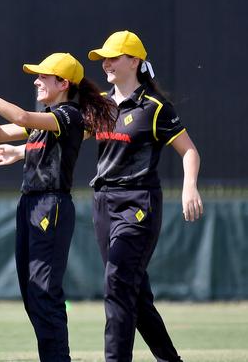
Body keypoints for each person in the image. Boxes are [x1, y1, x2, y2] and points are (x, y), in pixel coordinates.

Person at [0, 53, 116, 361]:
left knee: (44, 294)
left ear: (63, 83)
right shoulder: (48, 116)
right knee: (33, 294)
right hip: (30, 203)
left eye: (43, 76)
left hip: (51, 205)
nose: (36, 80)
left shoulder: (68, 115)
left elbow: (20, 118)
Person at [87, 30, 203, 362]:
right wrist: (21, 151)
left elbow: (189, 151)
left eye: (113, 56)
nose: (106, 62)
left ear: (135, 61)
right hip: (103, 205)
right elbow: (64, 133)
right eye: (103, 57)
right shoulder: (103, 106)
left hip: (138, 204)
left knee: (116, 284)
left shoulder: (154, 108)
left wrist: (189, 186)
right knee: (133, 293)